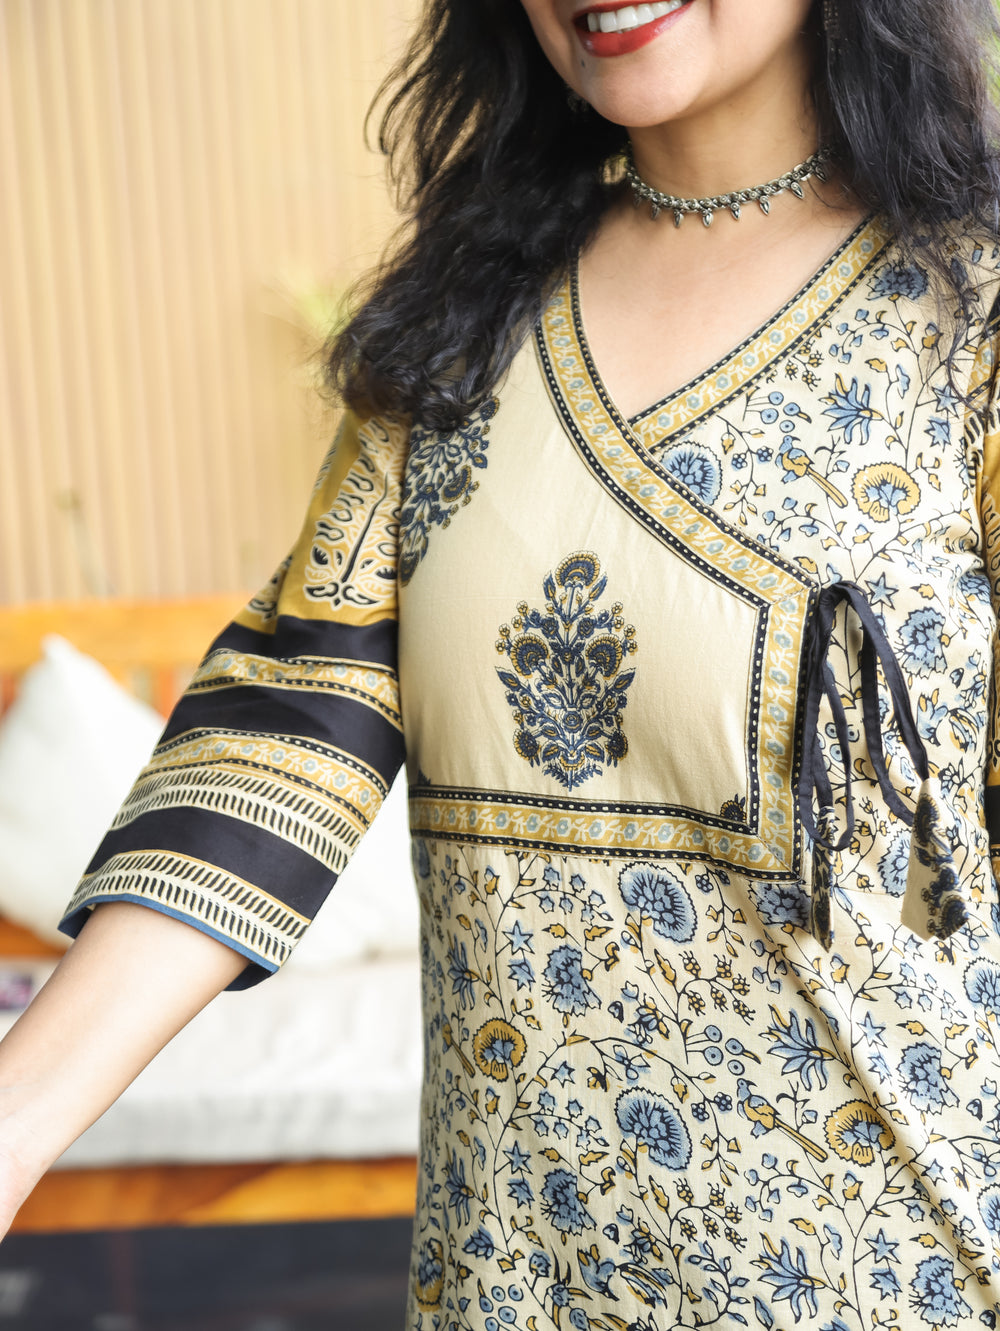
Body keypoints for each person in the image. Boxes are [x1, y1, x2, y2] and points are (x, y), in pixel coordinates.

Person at [4, 0, 1000, 1324]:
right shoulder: (460, 326)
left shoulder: (973, 311)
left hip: (900, 1275)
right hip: (513, 1283)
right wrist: (13, 1125)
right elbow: (279, 738)